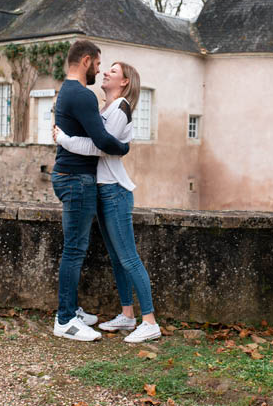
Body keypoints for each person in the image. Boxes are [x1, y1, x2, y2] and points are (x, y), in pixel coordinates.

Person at [54, 61, 161, 343]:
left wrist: (64, 139)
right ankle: (127, 315)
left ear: (124, 82)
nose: (105, 73)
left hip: (114, 191)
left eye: (112, 71)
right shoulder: (106, 108)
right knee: (116, 258)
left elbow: (98, 147)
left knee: (128, 257)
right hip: (103, 190)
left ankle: (149, 321)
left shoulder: (121, 106)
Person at [52, 40, 130, 342]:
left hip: (69, 176)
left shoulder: (66, 90)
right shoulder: (82, 94)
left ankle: (71, 308)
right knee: (74, 249)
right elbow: (102, 139)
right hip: (76, 179)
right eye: (98, 65)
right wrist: (123, 148)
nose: (99, 70)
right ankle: (66, 320)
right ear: (86, 61)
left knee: (75, 248)